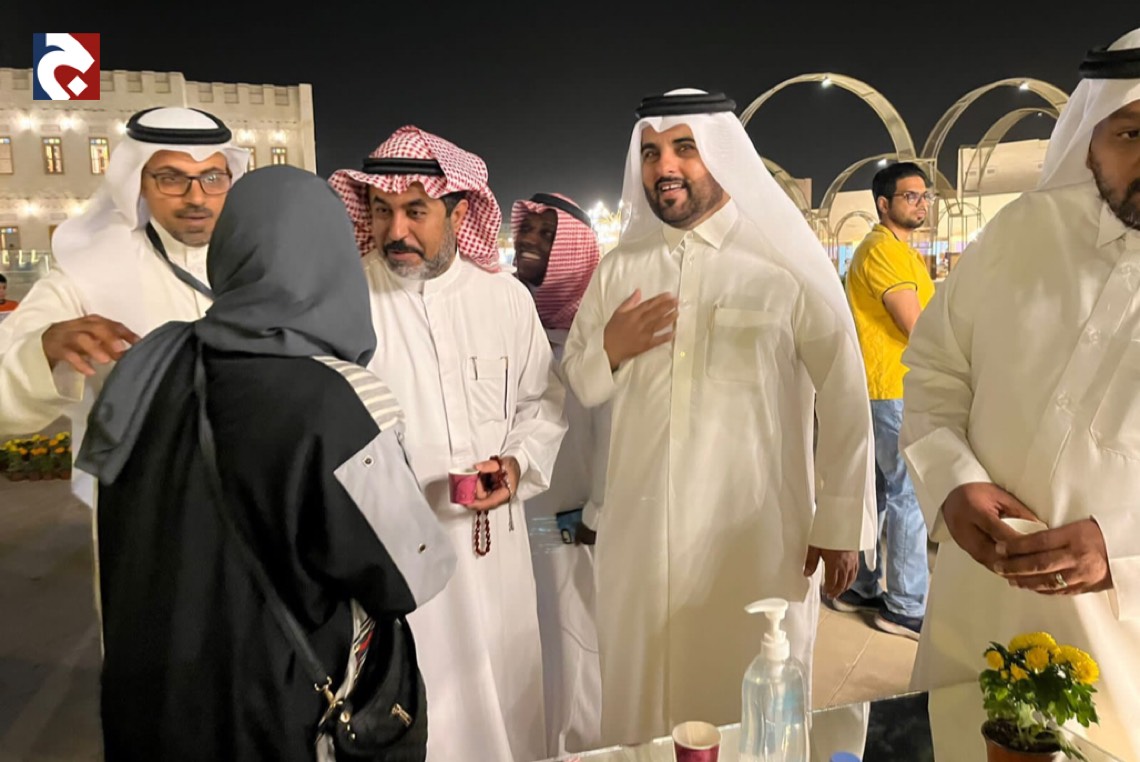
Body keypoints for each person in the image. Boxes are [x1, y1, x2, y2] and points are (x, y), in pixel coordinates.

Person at [76, 165, 456, 761]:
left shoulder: (147, 370)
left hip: (151, 707)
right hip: (275, 717)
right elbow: (411, 574)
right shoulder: (341, 397)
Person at [563, 89, 876, 745]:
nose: (664, 167)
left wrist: (841, 521)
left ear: (723, 154)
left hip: (753, 536)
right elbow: (581, 383)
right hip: (641, 536)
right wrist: (611, 349)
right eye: (651, 153)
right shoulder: (621, 268)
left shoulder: (783, 264)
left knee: (750, 702)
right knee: (641, 705)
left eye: (685, 148)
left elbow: (846, 391)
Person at [901, 27, 1140, 760]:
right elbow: (935, 369)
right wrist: (952, 482)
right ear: (1090, 139)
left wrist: (1122, 551)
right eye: (1131, 132)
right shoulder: (1020, 234)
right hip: (977, 612)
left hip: (1121, 648)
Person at [329, 125, 567, 762]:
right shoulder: (346, 302)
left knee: (505, 708)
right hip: (393, 563)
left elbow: (541, 403)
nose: (396, 230)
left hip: (494, 557)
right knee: (416, 714)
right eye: (382, 210)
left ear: (460, 213)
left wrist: (516, 464)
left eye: (416, 211)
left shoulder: (504, 299)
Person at [0, 107, 247, 506]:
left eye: (212, 178)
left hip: (251, 496)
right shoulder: (86, 272)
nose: (196, 197)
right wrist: (43, 350)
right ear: (138, 183)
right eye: (171, 178)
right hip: (144, 504)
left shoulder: (261, 261)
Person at [512, 191, 606, 754]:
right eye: (527, 229)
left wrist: (596, 515)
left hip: (578, 525)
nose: (528, 240)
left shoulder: (602, 334)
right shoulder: (508, 318)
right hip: (514, 524)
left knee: (579, 641)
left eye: (547, 235)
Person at [830, 162, 936, 639]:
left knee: (874, 492)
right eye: (911, 196)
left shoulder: (893, 249)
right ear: (884, 204)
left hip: (881, 389)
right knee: (907, 493)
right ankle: (906, 606)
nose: (921, 203)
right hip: (892, 388)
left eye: (924, 195)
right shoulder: (883, 251)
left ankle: (859, 586)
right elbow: (916, 325)